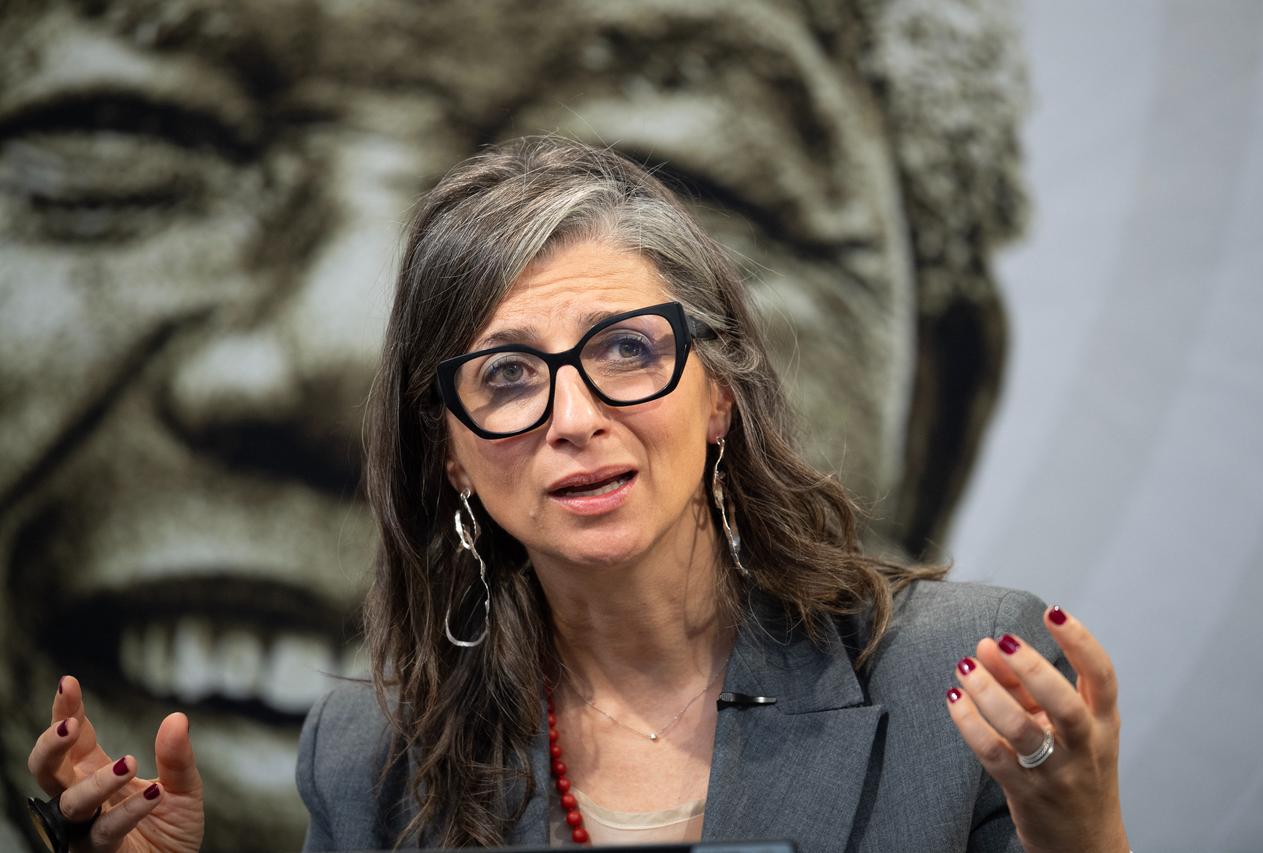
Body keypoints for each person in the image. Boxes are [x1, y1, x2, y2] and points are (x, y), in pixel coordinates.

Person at [3, 3, 1025, 846]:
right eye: (124, 132)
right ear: (444, 449)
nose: (341, 345)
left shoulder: (972, 680)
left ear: (938, 410)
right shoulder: (361, 754)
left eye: (627, 347)